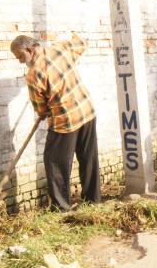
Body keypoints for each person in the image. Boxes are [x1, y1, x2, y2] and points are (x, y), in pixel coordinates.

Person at [10, 34, 101, 210]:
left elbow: (41, 109)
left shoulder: (34, 74)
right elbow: (82, 42)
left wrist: (44, 111)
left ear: (30, 50)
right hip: (86, 110)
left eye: (20, 56)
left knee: (54, 162)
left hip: (65, 120)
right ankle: (93, 201)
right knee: (88, 158)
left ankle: (61, 207)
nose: (21, 61)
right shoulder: (60, 49)